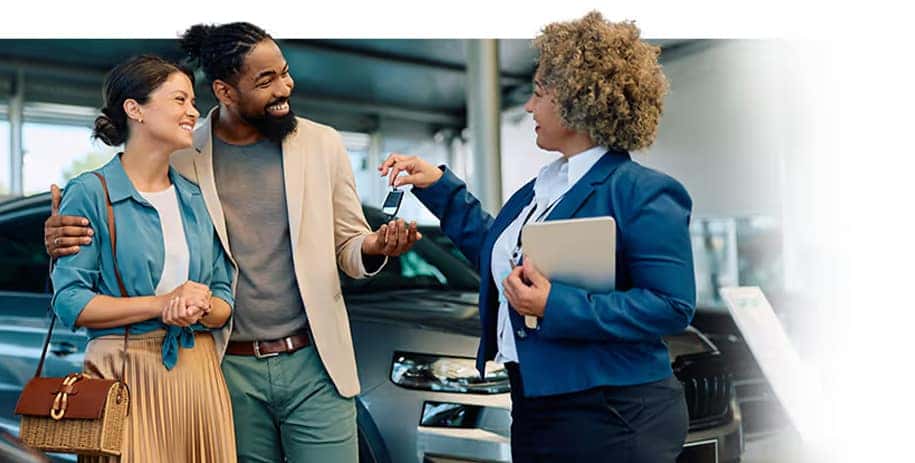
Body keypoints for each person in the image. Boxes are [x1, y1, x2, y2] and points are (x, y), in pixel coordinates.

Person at [44, 23, 420, 463]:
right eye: (266, 80)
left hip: (314, 361)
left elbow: (348, 246)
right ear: (225, 91)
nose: (285, 87)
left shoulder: (322, 144)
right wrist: (59, 231)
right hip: (223, 366)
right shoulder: (182, 153)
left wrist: (375, 247)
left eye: (284, 72)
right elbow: (124, 207)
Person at [379, 12, 694, 463]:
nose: (529, 107)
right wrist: (438, 188)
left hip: (613, 413)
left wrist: (553, 305)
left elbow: (671, 306)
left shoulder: (643, 191)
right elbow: (500, 257)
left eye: (539, 93)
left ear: (576, 103)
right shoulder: (543, 188)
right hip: (536, 403)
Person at [51, 55, 237, 462]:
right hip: (123, 376)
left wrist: (201, 306)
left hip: (198, 376)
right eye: (179, 100)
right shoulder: (91, 192)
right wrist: (162, 305)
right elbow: (70, 302)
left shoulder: (195, 197)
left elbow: (224, 297)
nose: (192, 112)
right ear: (134, 109)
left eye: (192, 101)